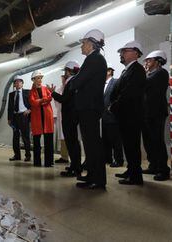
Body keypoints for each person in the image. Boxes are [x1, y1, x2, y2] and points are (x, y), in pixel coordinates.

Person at [49, 29, 107, 189]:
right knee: (89, 144)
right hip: (88, 107)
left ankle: (98, 180)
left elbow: (77, 82)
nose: (82, 46)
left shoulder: (94, 59)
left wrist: (74, 84)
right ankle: (92, 176)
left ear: (90, 43)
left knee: (93, 144)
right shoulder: (94, 59)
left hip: (90, 107)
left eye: (83, 43)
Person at [109, 41, 146, 185]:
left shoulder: (137, 70)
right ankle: (131, 170)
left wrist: (113, 106)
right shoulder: (127, 71)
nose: (121, 54)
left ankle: (136, 176)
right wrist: (113, 103)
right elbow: (116, 91)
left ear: (136, 53)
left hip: (132, 116)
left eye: (125, 51)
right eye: (121, 52)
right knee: (128, 146)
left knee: (132, 146)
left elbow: (129, 94)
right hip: (125, 115)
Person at [142, 50, 170, 181]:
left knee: (157, 141)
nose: (146, 62)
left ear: (158, 61)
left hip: (156, 112)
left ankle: (163, 170)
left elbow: (147, 84)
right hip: (147, 112)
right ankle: (153, 165)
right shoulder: (149, 74)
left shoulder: (162, 73)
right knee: (148, 141)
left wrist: (142, 75)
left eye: (149, 60)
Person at [54, 61, 80, 166]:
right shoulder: (74, 81)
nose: (64, 74)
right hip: (71, 116)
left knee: (72, 143)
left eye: (65, 71)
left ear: (68, 71)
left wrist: (52, 93)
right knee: (72, 142)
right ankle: (75, 166)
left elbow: (64, 99)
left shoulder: (71, 82)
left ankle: (75, 167)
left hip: (69, 117)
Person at [29, 70, 54, 167]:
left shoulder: (45, 88)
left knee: (49, 141)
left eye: (40, 78)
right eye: (38, 78)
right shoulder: (31, 91)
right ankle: (37, 162)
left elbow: (50, 97)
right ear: (33, 80)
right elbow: (33, 102)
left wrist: (40, 101)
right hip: (37, 119)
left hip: (47, 117)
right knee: (36, 142)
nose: (40, 80)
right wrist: (43, 100)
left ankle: (49, 162)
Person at [102, 67, 124, 168]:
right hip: (104, 116)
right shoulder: (102, 84)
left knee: (116, 139)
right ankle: (107, 158)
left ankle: (119, 160)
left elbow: (120, 96)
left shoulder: (116, 82)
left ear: (109, 71)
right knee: (105, 139)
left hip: (113, 116)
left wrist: (113, 107)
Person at [7, 75, 31, 162]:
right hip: (14, 117)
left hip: (24, 116)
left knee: (25, 137)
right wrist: (9, 119)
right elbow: (9, 107)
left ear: (22, 83)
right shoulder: (11, 94)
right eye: (15, 82)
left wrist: (30, 110)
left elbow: (33, 103)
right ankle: (17, 155)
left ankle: (28, 155)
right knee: (15, 137)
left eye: (19, 82)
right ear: (14, 84)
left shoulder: (28, 92)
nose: (17, 83)